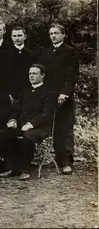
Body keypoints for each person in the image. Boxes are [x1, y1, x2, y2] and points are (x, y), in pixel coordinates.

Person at [0, 64, 57, 180]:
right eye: (30, 74)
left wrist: (30, 124)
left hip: (39, 127)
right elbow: (16, 109)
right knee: (3, 133)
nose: (31, 76)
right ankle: (11, 168)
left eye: (34, 73)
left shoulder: (49, 92)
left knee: (27, 136)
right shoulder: (25, 91)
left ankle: (25, 169)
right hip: (22, 125)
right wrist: (13, 120)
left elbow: (46, 114)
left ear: (42, 75)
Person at [40, 23, 79, 174]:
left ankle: (68, 162)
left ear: (63, 35)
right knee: (55, 128)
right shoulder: (46, 52)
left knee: (66, 128)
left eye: (56, 33)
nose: (53, 36)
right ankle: (59, 158)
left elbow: (72, 76)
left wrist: (64, 93)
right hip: (50, 96)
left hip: (65, 96)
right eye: (51, 34)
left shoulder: (70, 52)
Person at [2, 26, 38, 101]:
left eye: (19, 35)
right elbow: (2, 75)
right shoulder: (5, 54)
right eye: (14, 36)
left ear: (25, 37)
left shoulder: (32, 54)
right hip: (10, 94)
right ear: (11, 37)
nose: (17, 38)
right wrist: (7, 94)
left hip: (28, 93)